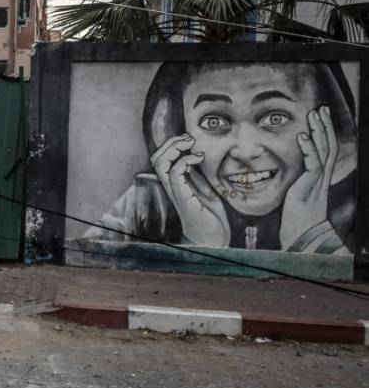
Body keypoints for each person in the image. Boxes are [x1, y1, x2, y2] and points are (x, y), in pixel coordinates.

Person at [86, 62, 357, 254]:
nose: (245, 151)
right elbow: (78, 264)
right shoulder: (147, 203)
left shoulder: (357, 207)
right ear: (178, 131)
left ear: (325, 127)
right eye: (214, 121)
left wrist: (310, 236)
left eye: (275, 118)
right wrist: (198, 242)